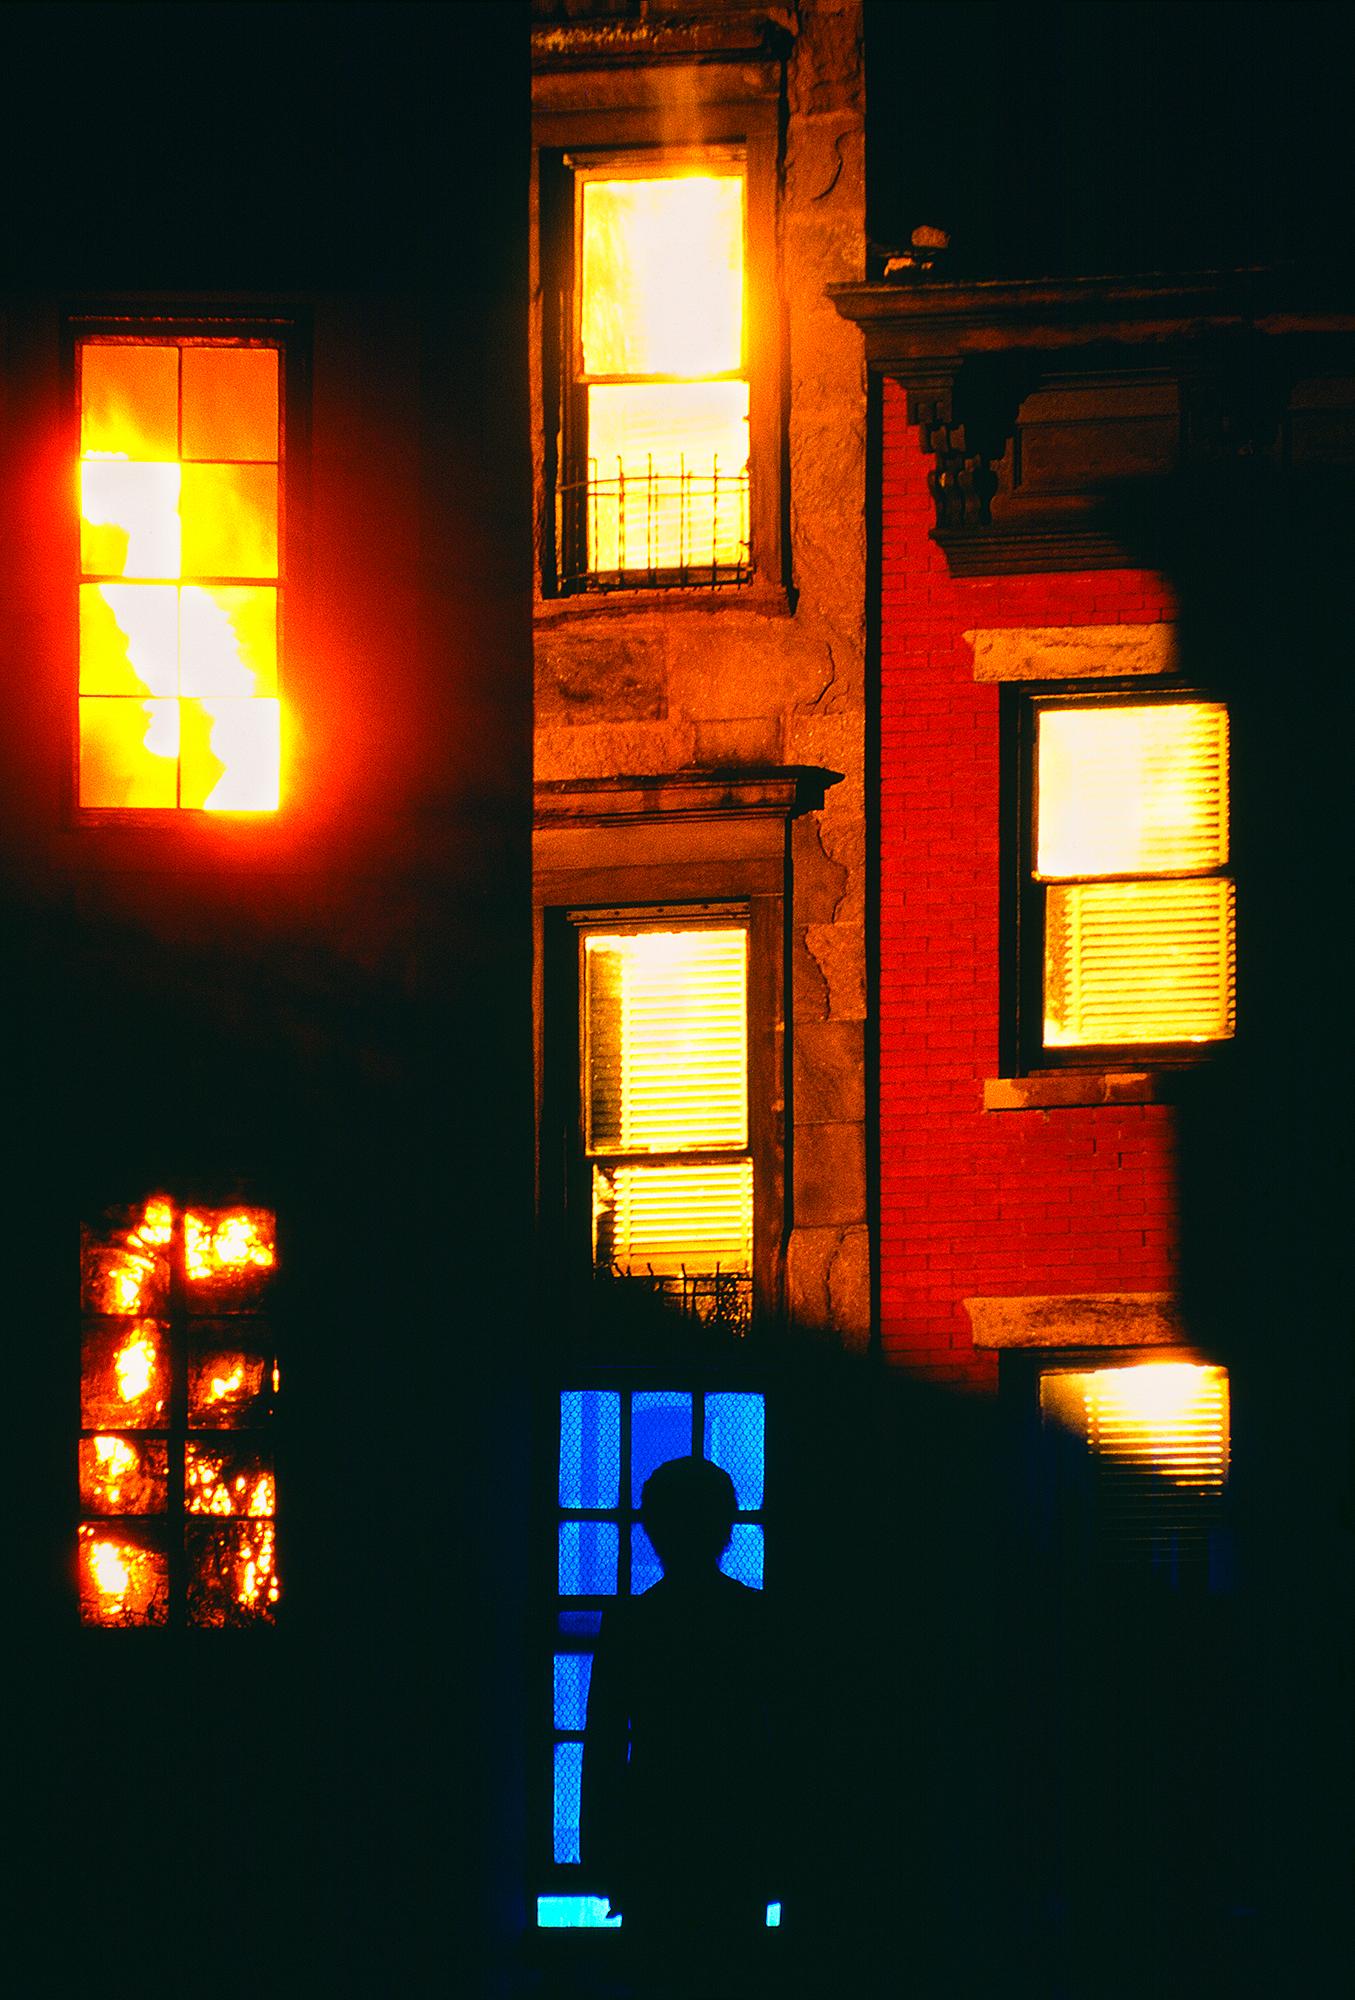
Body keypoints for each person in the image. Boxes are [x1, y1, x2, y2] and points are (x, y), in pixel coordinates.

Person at [581, 1455, 781, 1999]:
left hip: (654, 1831)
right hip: (735, 1830)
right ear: (726, 1526)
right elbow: (781, 1743)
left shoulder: (630, 1622)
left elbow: (602, 1746)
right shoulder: (756, 1620)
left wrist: (600, 1849)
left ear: (653, 1528)